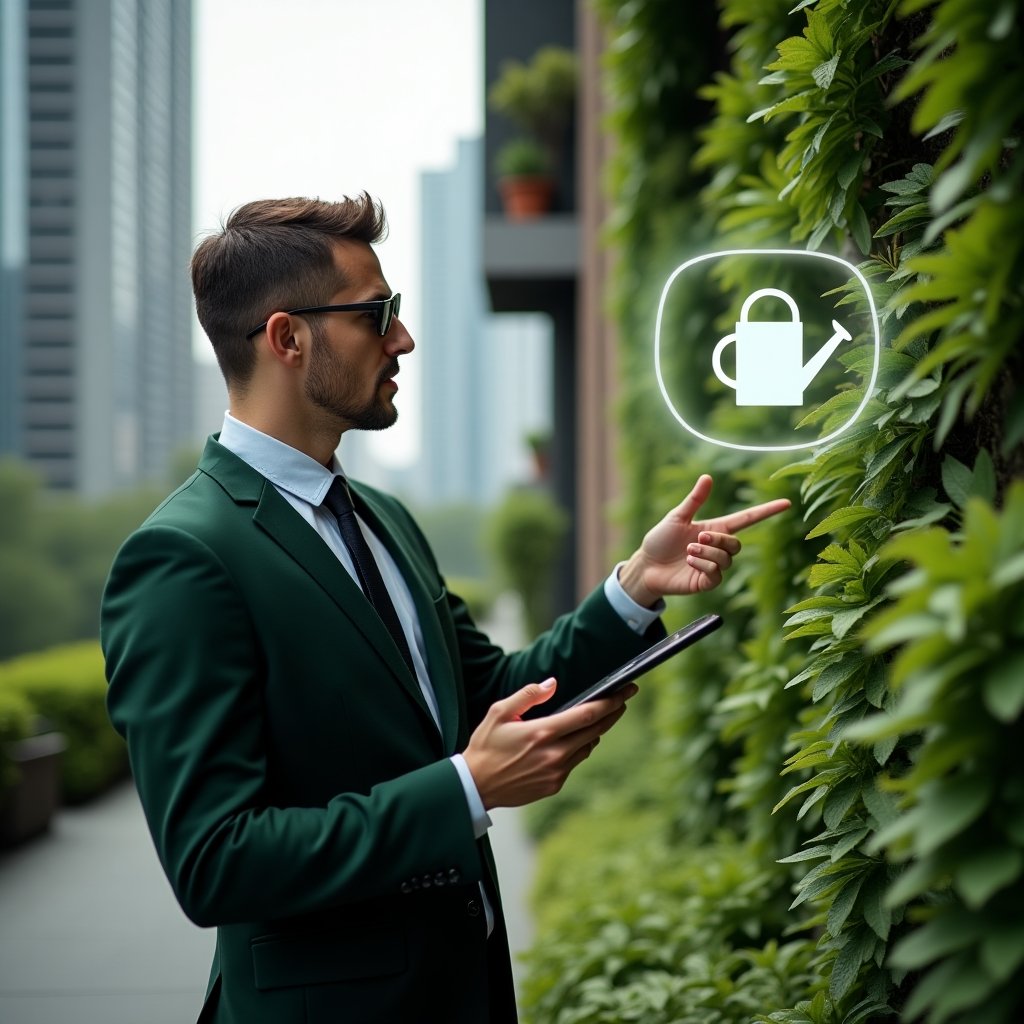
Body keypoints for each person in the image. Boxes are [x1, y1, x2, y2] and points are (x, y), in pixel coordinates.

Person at [101, 194, 790, 1024]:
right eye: (377, 314)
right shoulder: (183, 556)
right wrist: (466, 788)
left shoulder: (383, 520)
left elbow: (491, 689)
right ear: (288, 338)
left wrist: (634, 587)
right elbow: (217, 860)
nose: (403, 339)